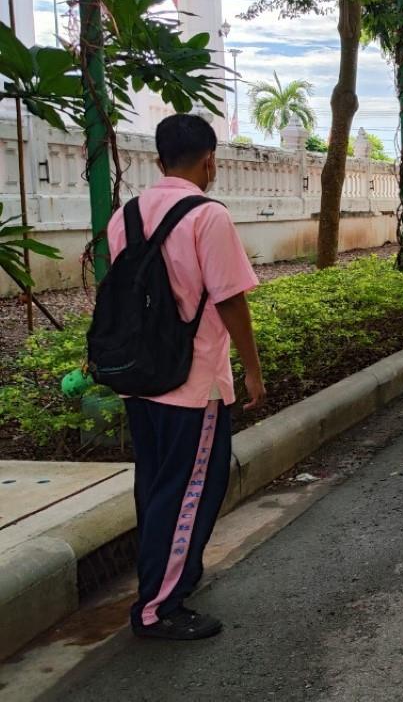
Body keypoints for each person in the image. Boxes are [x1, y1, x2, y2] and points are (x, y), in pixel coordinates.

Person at [105, 114, 264, 640]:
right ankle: (158, 607)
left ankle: (166, 580)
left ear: (159, 160)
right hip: (191, 382)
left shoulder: (125, 215)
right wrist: (252, 370)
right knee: (192, 490)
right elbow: (230, 299)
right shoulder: (207, 215)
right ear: (210, 160)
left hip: (139, 376)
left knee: (156, 486)